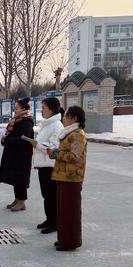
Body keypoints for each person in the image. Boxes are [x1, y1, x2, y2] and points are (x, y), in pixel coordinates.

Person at [48, 106, 88, 251]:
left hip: (72, 179)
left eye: (66, 116)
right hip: (63, 177)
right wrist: (53, 152)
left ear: (75, 118)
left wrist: (56, 154)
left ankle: (70, 242)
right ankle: (63, 238)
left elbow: (74, 156)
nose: (64, 119)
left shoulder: (78, 134)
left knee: (70, 211)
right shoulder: (68, 133)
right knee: (63, 210)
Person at [0, 97, 34, 212]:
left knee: (20, 177)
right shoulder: (16, 120)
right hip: (14, 153)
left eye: (17, 108)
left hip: (22, 155)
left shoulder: (26, 121)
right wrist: (4, 138)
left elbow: (23, 139)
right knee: (15, 177)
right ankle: (17, 199)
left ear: (23, 108)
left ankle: (22, 201)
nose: (15, 110)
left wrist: (7, 139)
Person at [33, 98, 64, 234]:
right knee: (46, 194)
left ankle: (55, 222)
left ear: (51, 109)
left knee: (51, 195)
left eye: (44, 108)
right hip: (43, 164)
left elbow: (55, 148)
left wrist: (37, 145)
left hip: (51, 165)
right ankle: (49, 219)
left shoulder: (57, 126)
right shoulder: (46, 124)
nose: (42, 110)